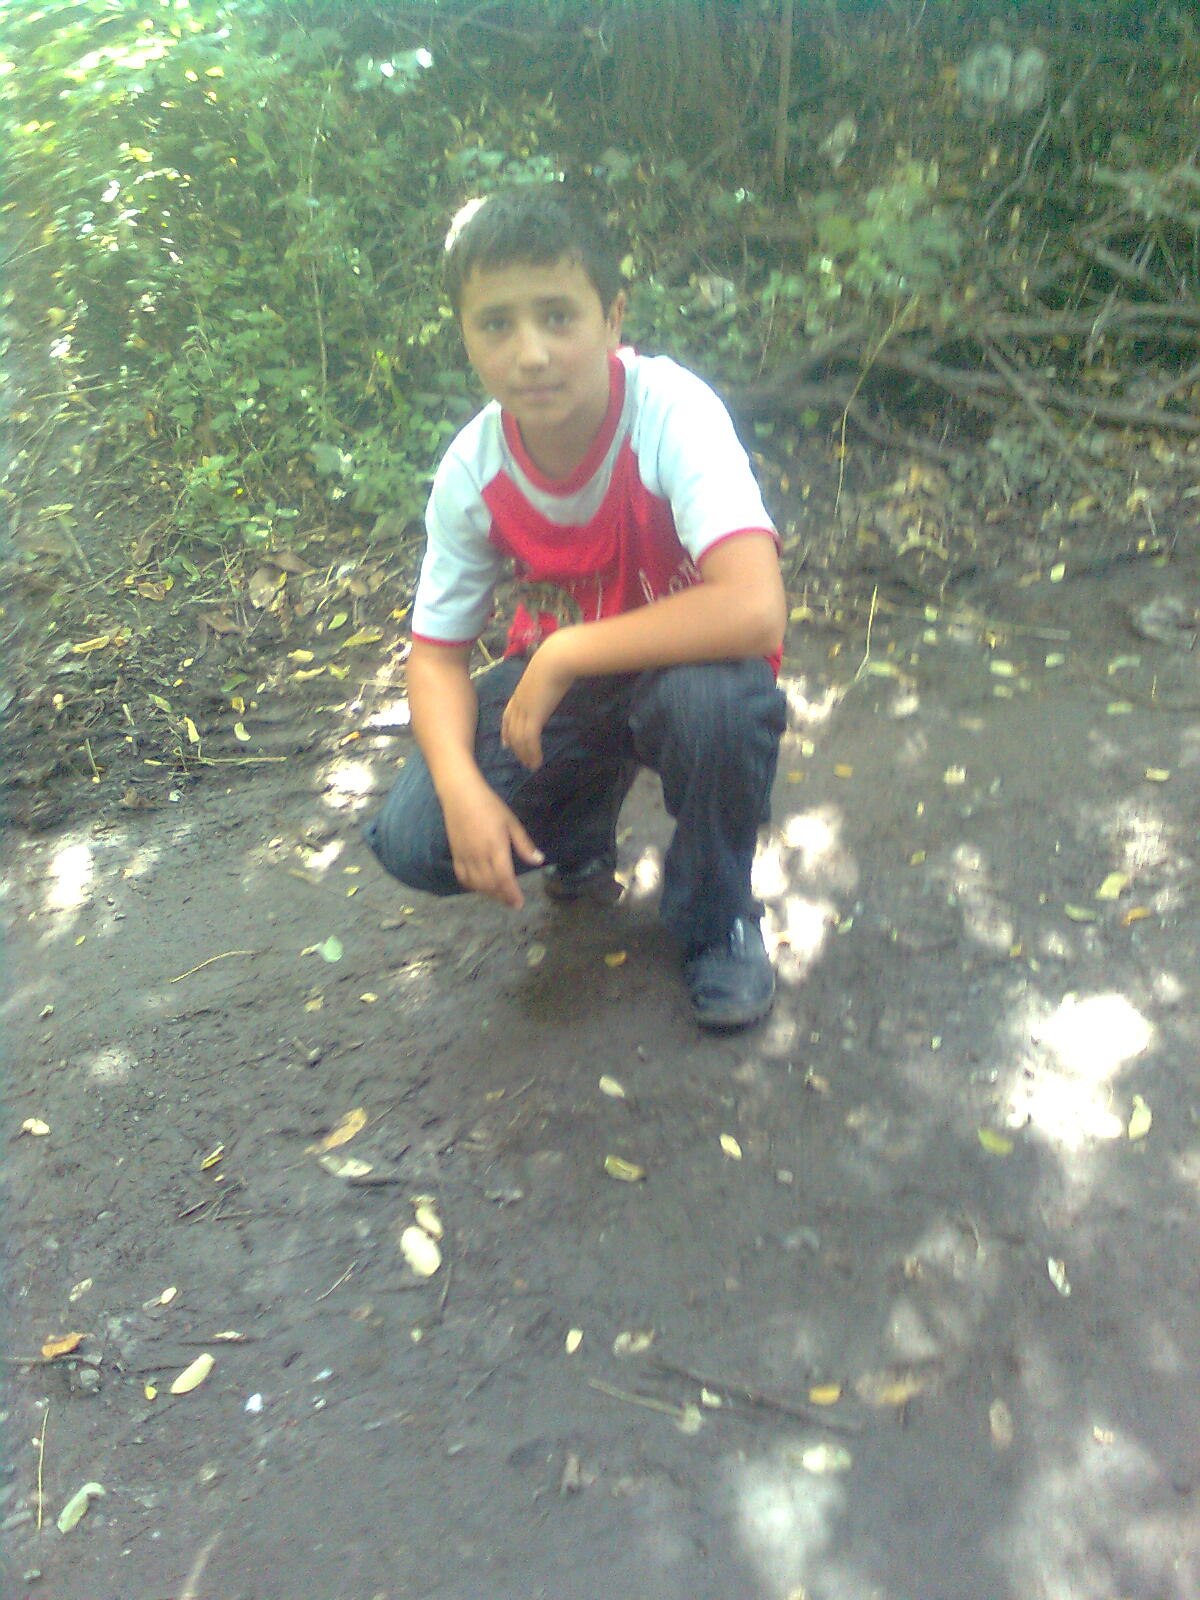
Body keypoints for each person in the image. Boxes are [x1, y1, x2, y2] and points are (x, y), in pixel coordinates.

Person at [363, 185, 788, 1029]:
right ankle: (581, 822)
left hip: (682, 669)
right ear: (465, 336)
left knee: (717, 707)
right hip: (570, 695)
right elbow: (436, 657)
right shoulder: (473, 471)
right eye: (497, 324)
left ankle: (718, 919)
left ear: (612, 316)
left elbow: (753, 608)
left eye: (558, 316)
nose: (531, 354)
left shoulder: (670, 412)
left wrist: (564, 651)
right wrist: (461, 787)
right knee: (418, 835)